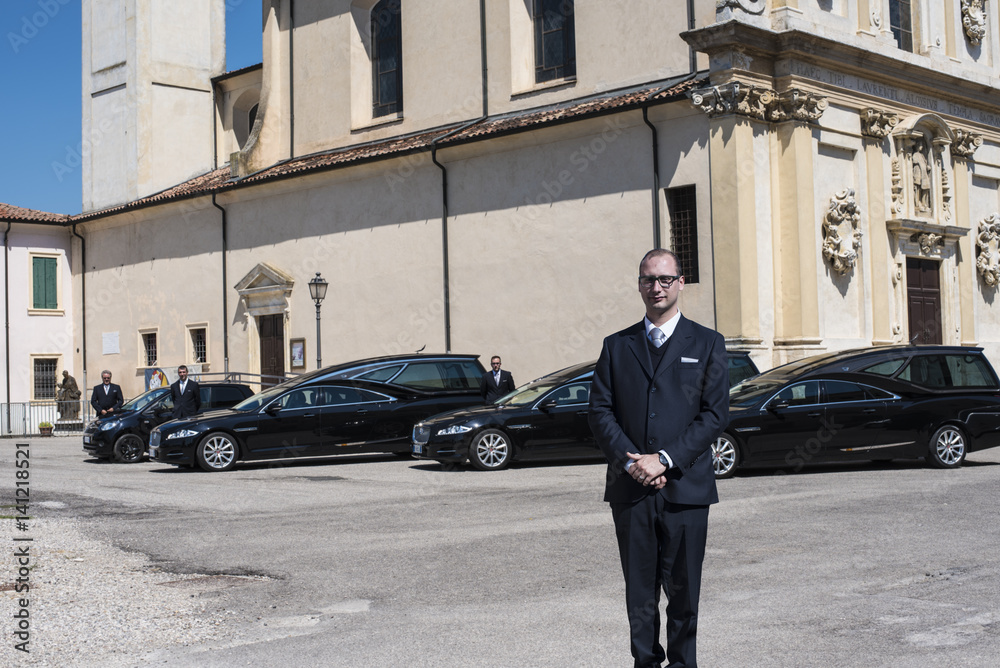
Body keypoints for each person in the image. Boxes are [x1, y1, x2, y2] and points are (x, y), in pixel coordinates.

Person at [589, 249, 729, 668]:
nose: (657, 287)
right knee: (640, 596)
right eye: (649, 279)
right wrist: (633, 462)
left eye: (666, 279)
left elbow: (714, 415)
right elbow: (599, 411)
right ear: (639, 285)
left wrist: (665, 459)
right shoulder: (617, 346)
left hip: (686, 490)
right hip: (631, 490)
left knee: (684, 594)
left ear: (680, 283)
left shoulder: (708, 343)